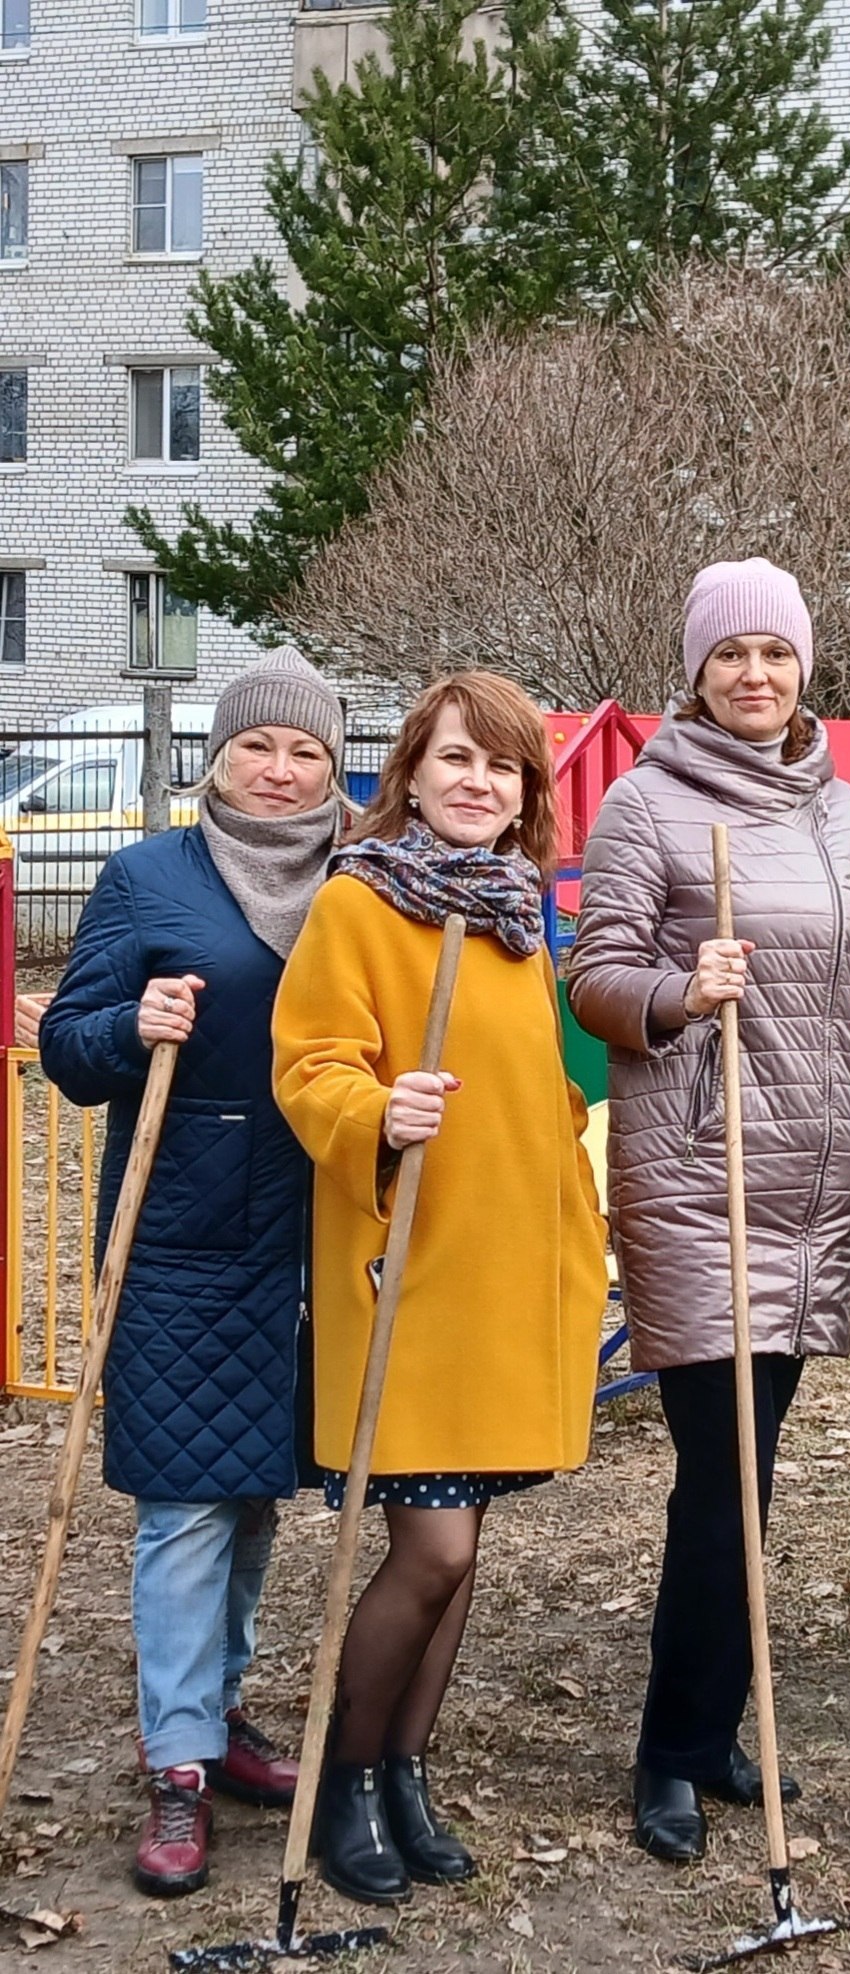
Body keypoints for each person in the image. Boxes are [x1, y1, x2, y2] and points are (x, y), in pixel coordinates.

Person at [566, 558, 850, 1864]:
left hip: (809, 1174)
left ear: (803, 666)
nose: (754, 675)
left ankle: (709, 1728)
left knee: (745, 1481)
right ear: (693, 673)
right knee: (720, 1477)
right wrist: (678, 994)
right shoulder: (646, 803)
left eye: (774, 652)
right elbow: (595, 977)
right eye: (728, 655)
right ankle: (670, 1747)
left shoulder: (839, 805)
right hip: (703, 1175)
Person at [271, 671, 607, 1906]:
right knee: (429, 1547)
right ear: (409, 770)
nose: (478, 782)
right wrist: (376, 1108)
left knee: (464, 1558)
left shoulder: (517, 918)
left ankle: (405, 1768)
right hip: (407, 1270)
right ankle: (344, 1777)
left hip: (511, 1271)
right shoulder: (360, 905)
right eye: (456, 758)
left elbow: (528, 1076)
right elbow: (310, 1065)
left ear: (525, 798)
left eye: (504, 768)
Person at [39, 653, 347, 1897]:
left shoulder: (365, 881)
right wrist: (131, 1026)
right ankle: (175, 1762)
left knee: (261, 1491)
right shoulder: (145, 876)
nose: (280, 771)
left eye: (308, 754)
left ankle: (216, 1721)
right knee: (183, 1505)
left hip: (320, 1233)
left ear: (336, 769)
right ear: (215, 756)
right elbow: (68, 1046)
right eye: (257, 747)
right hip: (182, 1232)